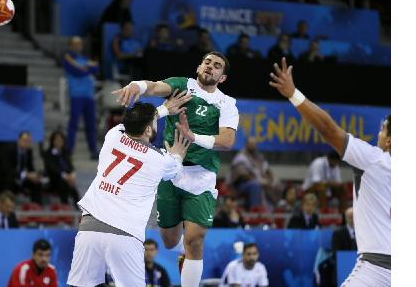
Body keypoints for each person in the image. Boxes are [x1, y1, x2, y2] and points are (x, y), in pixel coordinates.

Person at [113, 51, 239, 287]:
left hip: (201, 175)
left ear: (222, 78)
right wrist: (136, 85)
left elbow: (227, 141)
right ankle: (184, 254)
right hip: (170, 169)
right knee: (171, 242)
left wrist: (193, 137)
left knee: (194, 240)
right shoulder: (181, 85)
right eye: (207, 62)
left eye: (217, 66)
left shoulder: (226, 103)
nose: (210, 67)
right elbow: (153, 88)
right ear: (199, 67)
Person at [269, 57, 390, 286]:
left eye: (383, 131)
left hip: (377, 270)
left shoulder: (376, 159)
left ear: (391, 141)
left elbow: (327, 129)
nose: (378, 135)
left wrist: (294, 94)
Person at [67, 99, 191, 287]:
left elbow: (131, 123)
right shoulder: (159, 160)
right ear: (148, 130)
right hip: (124, 232)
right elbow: (175, 170)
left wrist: (162, 110)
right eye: (153, 123)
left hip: (89, 227)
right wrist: (178, 154)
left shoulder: (113, 135)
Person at [62, 36, 99, 159]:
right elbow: (77, 71)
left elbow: (96, 68)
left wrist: (84, 69)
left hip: (89, 96)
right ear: (70, 46)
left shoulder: (84, 59)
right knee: (73, 124)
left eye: (80, 44)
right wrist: (87, 69)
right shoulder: (68, 58)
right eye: (75, 44)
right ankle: (68, 150)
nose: (78, 46)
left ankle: (93, 150)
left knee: (91, 125)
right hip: (76, 95)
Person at [0, 131, 42, 204]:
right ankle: (7, 205)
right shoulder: (8, 149)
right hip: (2, 176)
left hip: (18, 175)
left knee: (36, 182)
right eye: (24, 140)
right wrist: (26, 175)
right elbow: (7, 170)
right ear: (19, 140)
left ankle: (36, 206)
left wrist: (35, 175)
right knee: (10, 179)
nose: (26, 143)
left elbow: (31, 168)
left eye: (28, 141)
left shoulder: (28, 151)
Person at [230, 137, 281, 209]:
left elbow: (267, 169)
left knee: (276, 183)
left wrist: (270, 179)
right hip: (242, 185)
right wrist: (259, 181)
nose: (252, 146)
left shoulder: (259, 156)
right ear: (246, 144)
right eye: (250, 144)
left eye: (254, 144)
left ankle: (274, 209)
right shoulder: (241, 156)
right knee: (255, 184)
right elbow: (242, 175)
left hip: (261, 181)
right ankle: (255, 209)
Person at [43, 131, 79, 205]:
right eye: (57, 140)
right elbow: (53, 169)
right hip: (53, 179)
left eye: (60, 140)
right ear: (52, 141)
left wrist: (72, 175)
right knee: (64, 183)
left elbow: (70, 166)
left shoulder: (65, 152)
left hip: (66, 179)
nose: (59, 142)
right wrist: (65, 176)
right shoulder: (48, 153)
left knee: (71, 184)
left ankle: (78, 206)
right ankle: (64, 205)